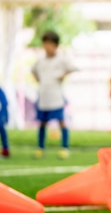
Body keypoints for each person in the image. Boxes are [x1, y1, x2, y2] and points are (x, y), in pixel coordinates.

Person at [31, 31, 77, 159]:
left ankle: (65, 147)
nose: (47, 47)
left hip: (56, 96)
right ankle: (40, 148)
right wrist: (39, 80)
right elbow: (33, 71)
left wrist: (63, 75)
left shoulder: (61, 60)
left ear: (55, 45)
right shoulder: (40, 61)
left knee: (61, 121)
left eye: (50, 44)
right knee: (42, 122)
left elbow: (73, 68)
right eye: (45, 43)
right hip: (43, 96)